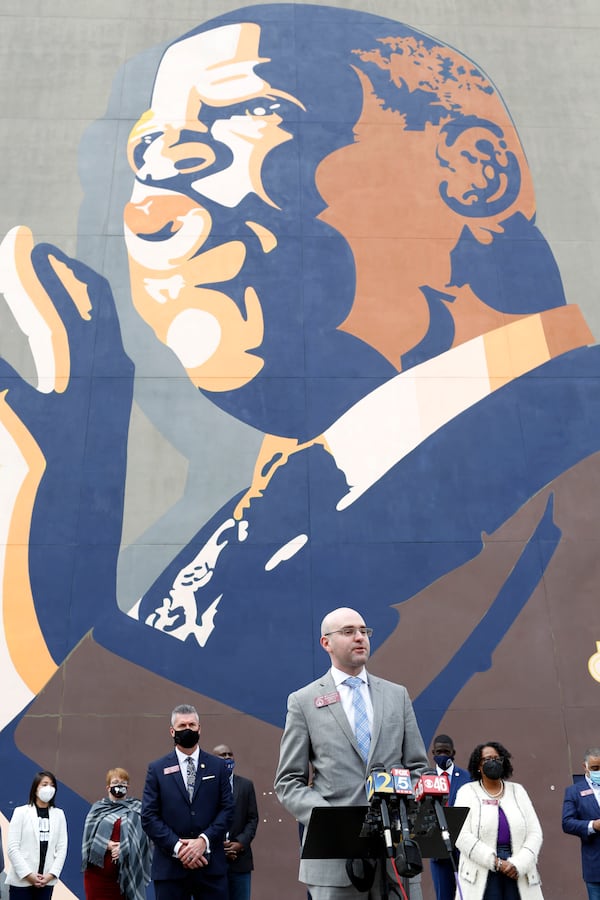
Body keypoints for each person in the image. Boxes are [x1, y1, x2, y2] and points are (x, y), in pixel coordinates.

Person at [0, 7, 599, 899]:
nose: (157, 188)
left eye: (236, 118)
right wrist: (55, 529)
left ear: (473, 171)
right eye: (144, 154)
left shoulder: (568, 481)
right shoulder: (292, 493)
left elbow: (435, 839)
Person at [274, 606, 428, 900]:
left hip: (396, 858)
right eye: (348, 632)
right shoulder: (304, 701)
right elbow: (288, 782)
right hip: (334, 858)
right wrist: (330, 821)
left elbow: (418, 767)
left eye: (364, 631)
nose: (360, 638)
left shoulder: (397, 695)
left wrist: (407, 809)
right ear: (326, 643)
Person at [141, 704, 234, 900]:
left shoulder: (218, 767)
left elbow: (227, 810)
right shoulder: (157, 769)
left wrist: (203, 841)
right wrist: (179, 848)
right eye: (182, 725)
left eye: (192, 724)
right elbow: (149, 816)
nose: (188, 729)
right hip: (170, 869)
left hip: (210, 867)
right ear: (172, 731)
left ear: (200, 729)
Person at [454, 742, 543, 900]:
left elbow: (535, 833)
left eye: (497, 758)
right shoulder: (466, 792)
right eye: (487, 759)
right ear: (478, 766)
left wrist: (518, 864)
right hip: (482, 869)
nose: (493, 762)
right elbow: (461, 835)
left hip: (517, 870)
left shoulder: (518, 791)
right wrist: (495, 862)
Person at [82, 767, 151, 900]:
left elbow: (144, 839)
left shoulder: (137, 809)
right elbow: (88, 838)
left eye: (123, 782)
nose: (119, 785)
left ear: (128, 786)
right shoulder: (98, 808)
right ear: (108, 787)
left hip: (125, 876)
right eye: (115, 782)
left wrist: (123, 848)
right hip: (97, 877)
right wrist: (108, 845)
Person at [5, 771, 67, 898]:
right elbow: (12, 848)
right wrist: (28, 875)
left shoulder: (59, 814)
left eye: (52, 785)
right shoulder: (21, 812)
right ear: (35, 789)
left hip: (46, 882)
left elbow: (62, 848)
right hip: (22, 881)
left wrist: (51, 875)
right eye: (44, 784)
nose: (48, 788)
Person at [212, 744, 259, 900]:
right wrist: (218, 846)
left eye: (229, 754)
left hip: (240, 861)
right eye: (222, 755)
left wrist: (240, 843)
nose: (227, 758)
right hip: (213, 861)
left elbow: (252, 819)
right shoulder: (205, 786)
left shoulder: (246, 785)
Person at [429, 734, 470, 900]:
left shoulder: (467, 777)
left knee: (467, 894)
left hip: (464, 847)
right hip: (438, 849)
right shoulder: (427, 778)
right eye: (439, 752)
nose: (443, 755)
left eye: (447, 751)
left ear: (453, 753)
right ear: (433, 753)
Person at [561, 746, 600, 900]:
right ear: (585, 767)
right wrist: (593, 825)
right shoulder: (574, 791)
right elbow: (567, 823)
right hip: (595, 866)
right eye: (595, 768)